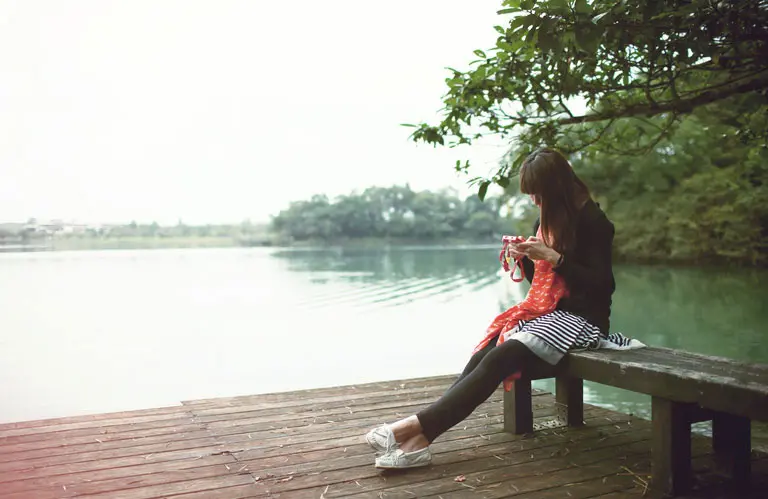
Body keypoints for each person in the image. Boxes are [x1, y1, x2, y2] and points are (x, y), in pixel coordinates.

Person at [363, 148, 616, 469]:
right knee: (487, 351)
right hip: (552, 316)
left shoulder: (595, 222)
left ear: (556, 189)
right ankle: (417, 440)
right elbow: (541, 280)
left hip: (585, 321)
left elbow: (603, 285)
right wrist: (526, 259)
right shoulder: (548, 220)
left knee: (502, 354)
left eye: (538, 193)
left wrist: (553, 257)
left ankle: (410, 429)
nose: (534, 201)